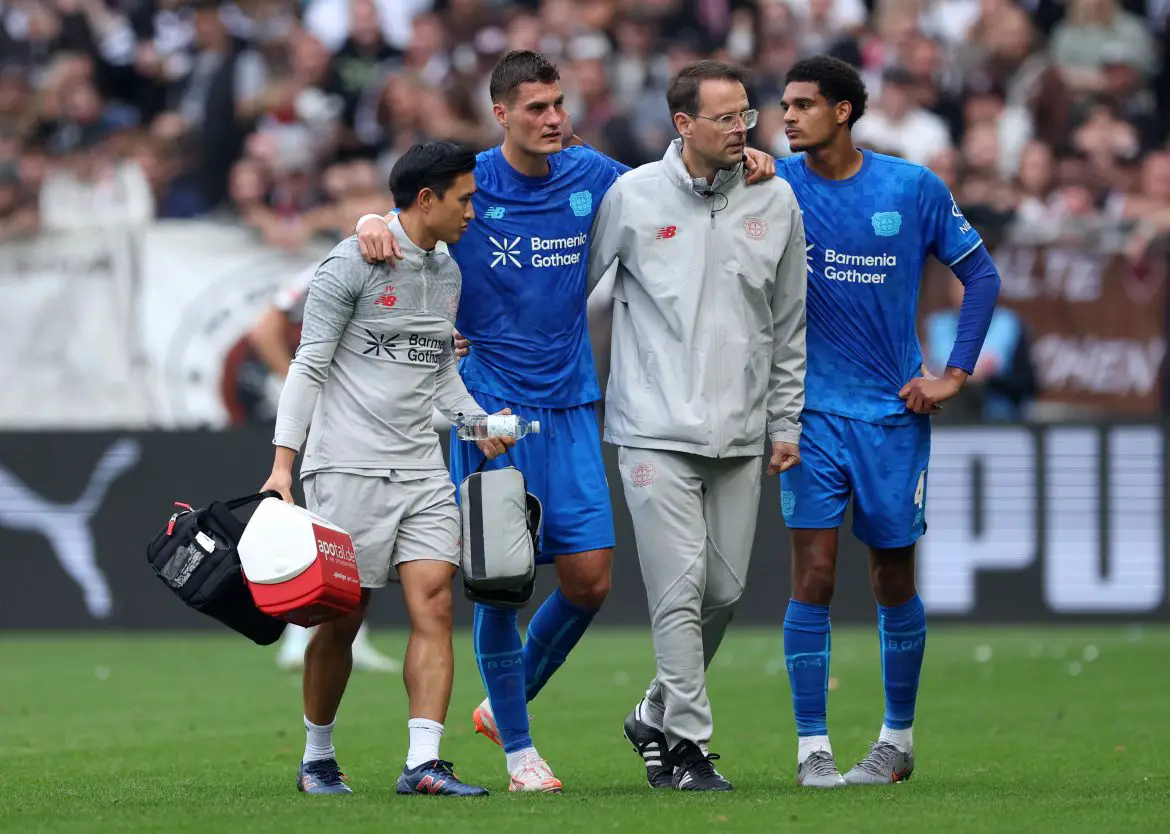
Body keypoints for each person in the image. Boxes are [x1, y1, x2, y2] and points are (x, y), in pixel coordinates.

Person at [354, 49, 778, 793]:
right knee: (501, 581)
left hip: (576, 402)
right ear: (502, 115)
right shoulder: (470, 183)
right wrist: (367, 222)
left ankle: (502, 704)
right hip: (492, 410)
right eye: (537, 109)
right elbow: (401, 225)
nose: (554, 119)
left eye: (559, 105)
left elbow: (677, 184)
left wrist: (747, 158)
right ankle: (520, 753)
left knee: (587, 581)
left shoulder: (595, 178)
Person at [261, 140, 515, 797]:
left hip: (421, 471)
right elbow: (308, 366)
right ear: (426, 199)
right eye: (464, 198)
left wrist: (477, 423)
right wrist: (282, 465)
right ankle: (318, 757)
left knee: (433, 603)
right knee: (341, 620)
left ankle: (423, 764)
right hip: (346, 467)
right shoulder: (349, 265)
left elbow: (441, 378)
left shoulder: (448, 272)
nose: (473, 210)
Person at [773, 56, 1001, 787]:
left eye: (803, 105)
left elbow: (982, 275)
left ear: (843, 111)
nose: (787, 117)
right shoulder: (773, 187)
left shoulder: (911, 187)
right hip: (808, 413)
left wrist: (953, 374)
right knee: (811, 574)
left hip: (892, 417)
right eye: (784, 105)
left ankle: (896, 742)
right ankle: (812, 748)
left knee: (891, 579)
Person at [587, 60, 807, 792]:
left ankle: (654, 709)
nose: (742, 126)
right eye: (724, 116)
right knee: (679, 591)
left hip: (743, 431)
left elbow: (788, 322)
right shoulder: (633, 197)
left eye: (746, 113)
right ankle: (686, 748)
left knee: (724, 591)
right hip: (652, 428)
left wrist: (785, 419)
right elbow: (572, 293)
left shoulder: (776, 199)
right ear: (683, 124)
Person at [246, 268, 402, 674]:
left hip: (360, 407)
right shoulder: (326, 272)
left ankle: (350, 632)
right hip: (331, 407)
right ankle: (302, 629)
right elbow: (264, 328)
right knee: (327, 510)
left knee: (354, 515)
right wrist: (297, 377)